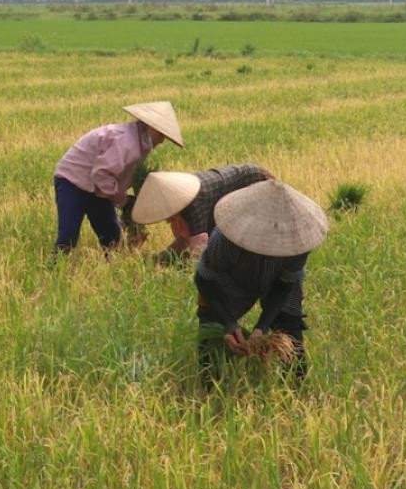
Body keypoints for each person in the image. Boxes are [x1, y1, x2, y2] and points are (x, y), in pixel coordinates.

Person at [193, 180, 328, 387]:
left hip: (279, 279)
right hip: (230, 279)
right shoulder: (227, 239)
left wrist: (262, 327)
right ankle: (210, 387)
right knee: (212, 329)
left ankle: (297, 388)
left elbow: (284, 285)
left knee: (291, 333)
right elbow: (204, 279)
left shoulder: (298, 242)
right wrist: (229, 323)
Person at [53, 101, 183, 252]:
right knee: (68, 238)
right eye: (161, 135)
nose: (162, 141)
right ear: (150, 127)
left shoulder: (140, 143)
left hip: (97, 187)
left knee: (112, 237)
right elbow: (101, 174)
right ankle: (52, 268)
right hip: (72, 181)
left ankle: (113, 268)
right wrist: (124, 201)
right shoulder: (127, 142)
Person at [130, 163, 275, 262]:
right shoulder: (182, 202)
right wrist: (160, 259)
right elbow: (184, 239)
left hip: (253, 181)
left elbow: (198, 252)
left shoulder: (193, 203)